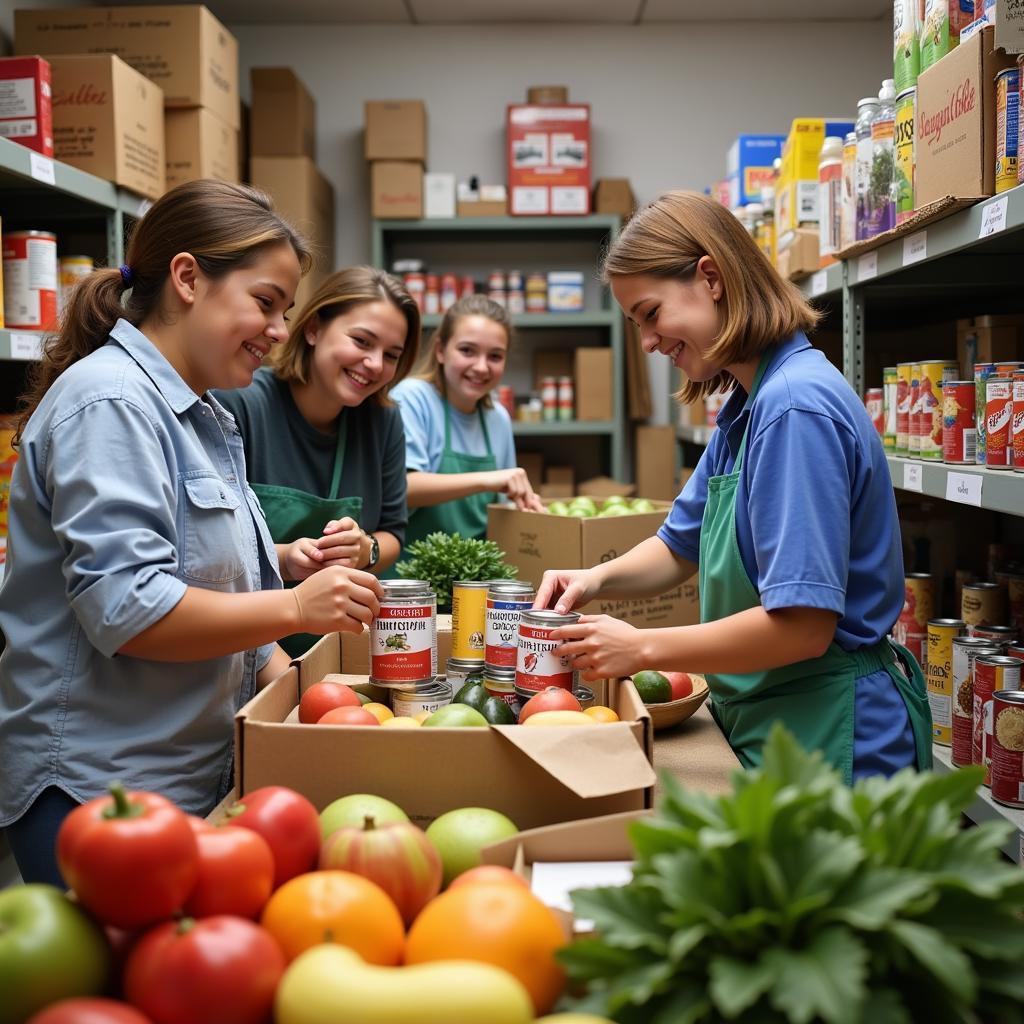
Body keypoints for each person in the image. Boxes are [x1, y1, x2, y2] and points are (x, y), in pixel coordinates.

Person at [0, 180, 383, 885]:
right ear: (186, 278)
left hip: (189, 780)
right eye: (265, 302)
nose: (277, 329)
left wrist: (309, 699)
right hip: (102, 799)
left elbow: (226, 604)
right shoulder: (110, 403)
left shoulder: (205, 418)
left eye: (285, 310)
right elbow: (127, 607)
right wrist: (298, 608)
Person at [537, 190, 931, 783]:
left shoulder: (794, 408)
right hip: (779, 722)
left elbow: (803, 625)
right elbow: (677, 546)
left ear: (712, 278)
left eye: (650, 313)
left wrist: (642, 646)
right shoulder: (748, 406)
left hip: (833, 735)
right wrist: (597, 578)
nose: (646, 342)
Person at [216, 267, 419, 654]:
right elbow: (215, 556)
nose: (375, 364)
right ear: (312, 329)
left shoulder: (383, 420)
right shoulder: (240, 405)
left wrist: (365, 550)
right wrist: (288, 556)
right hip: (250, 647)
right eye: (361, 341)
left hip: (345, 649)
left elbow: (394, 530)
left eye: (391, 355)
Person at [390, 295, 544, 551]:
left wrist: (527, 506)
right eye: (467, 351)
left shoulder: (498, 418)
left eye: (495, 356)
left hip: (477, 580)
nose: (481, 367)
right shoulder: (412, 398)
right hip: (413, 581)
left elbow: (502, 506)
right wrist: (489, 479)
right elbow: (402, 488)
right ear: (440, 350)